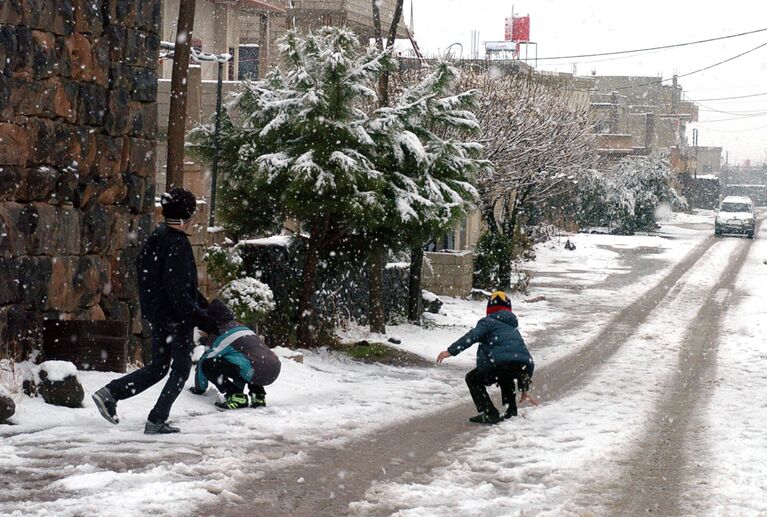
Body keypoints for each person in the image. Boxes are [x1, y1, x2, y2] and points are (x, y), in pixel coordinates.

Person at [92, 188, 218, 434]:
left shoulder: (157, 236)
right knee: (180, 369)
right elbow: (178, 291)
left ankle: (111, 393)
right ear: (187, 216)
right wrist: (203, 319)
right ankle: (156, 420)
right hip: (176, 319)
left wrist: (204, 307)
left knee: (159, 366)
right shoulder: (177, 243)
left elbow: (164, 282)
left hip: (160, 315)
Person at [436, 291, 538, 424]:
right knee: (506, 374)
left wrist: (450, 351)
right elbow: (523, 360)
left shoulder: (488, 322)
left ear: (489, 309)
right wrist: (524, 388)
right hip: (521, 365)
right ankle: (511, 410)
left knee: (473, 378)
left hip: (500, 363)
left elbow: (472, 336)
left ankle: (490, 412)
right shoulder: (512, 327)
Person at [190, 299, 281, 411]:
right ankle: (258, 396)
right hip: (274, 368)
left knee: (208, 364)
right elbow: (240, 361)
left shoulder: (221, 333)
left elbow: (204, 361)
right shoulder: (243, 328)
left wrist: (199, 389)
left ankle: (235, 396)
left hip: (254, 370)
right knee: (249, 359)